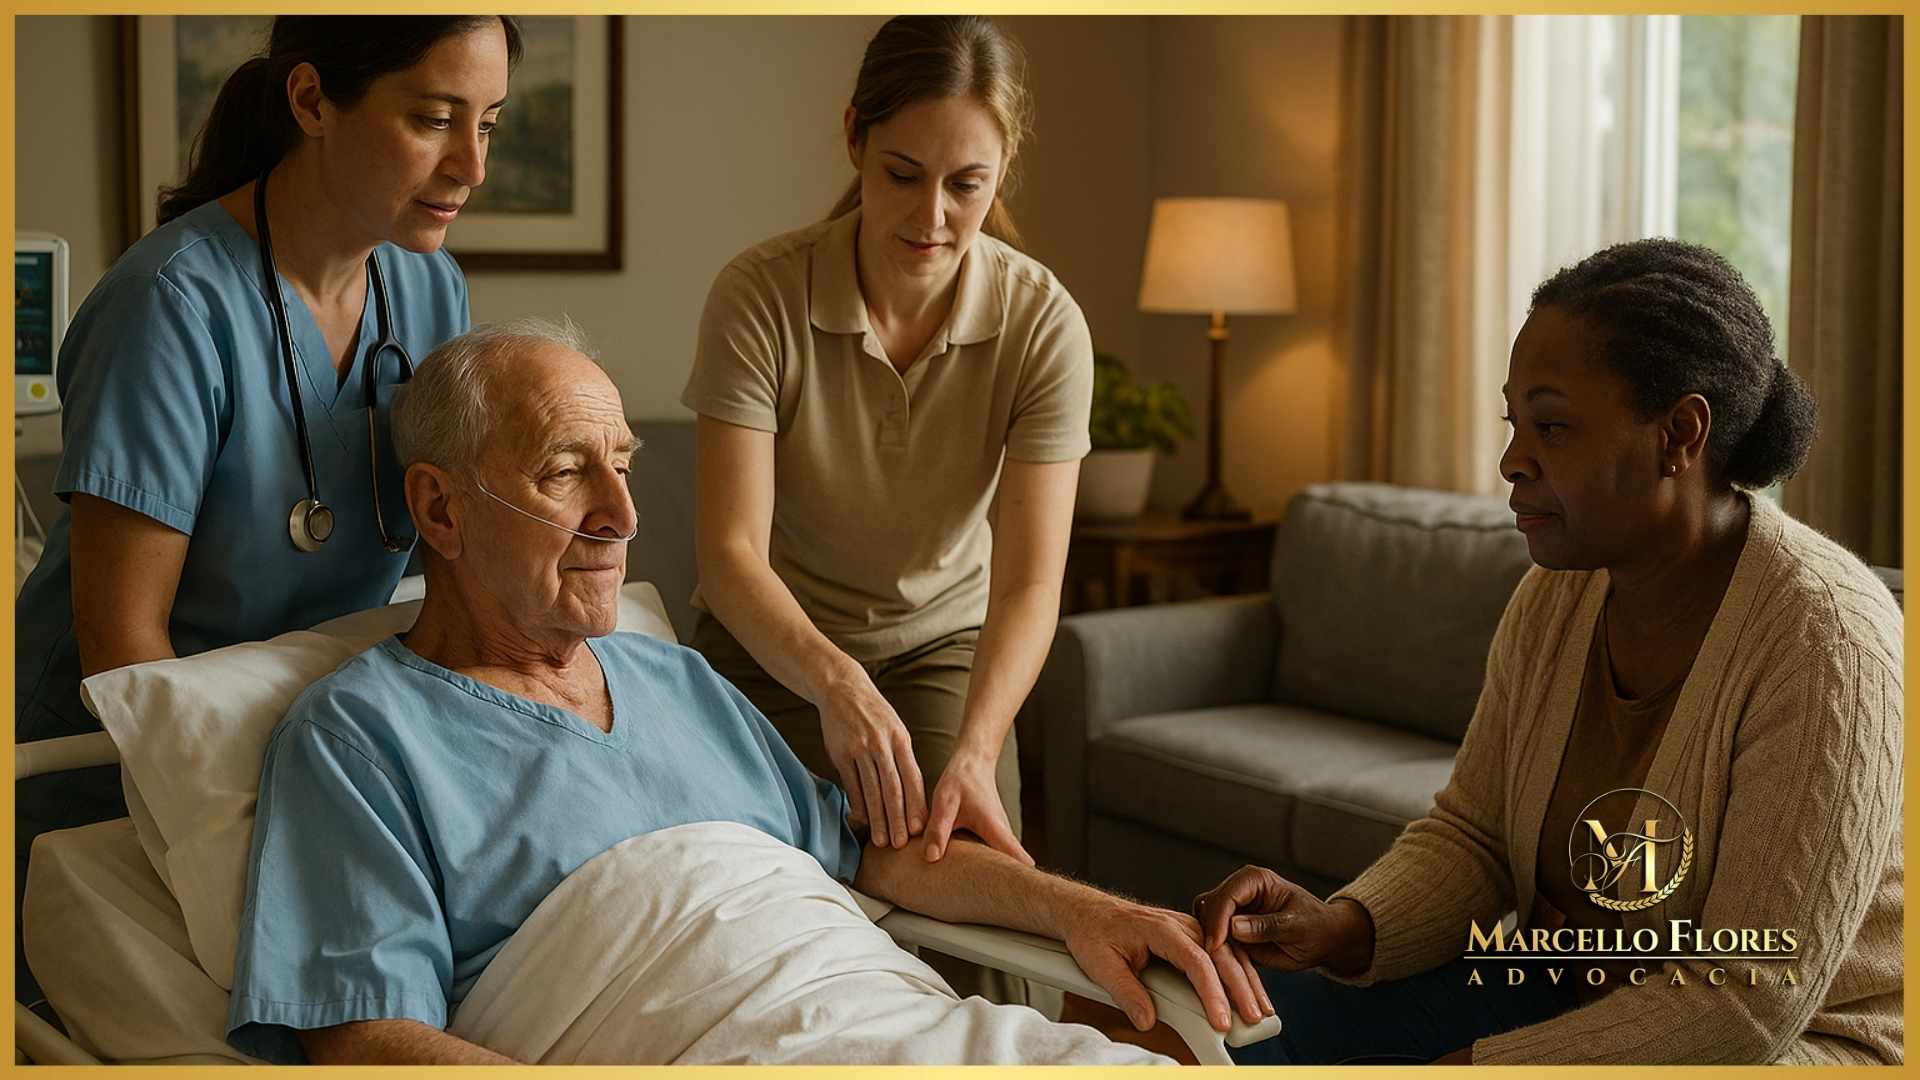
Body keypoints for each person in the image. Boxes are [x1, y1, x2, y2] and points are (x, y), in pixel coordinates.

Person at [224, 319, 1272, 1065]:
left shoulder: (674, 676)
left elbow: (867, 849)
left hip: (886, 1028)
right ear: (440, 513)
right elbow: (365, 1039)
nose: (623, 514)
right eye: (564, 472)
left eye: (625, 466)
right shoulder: (360, 737)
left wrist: (1087, 912)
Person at [1193, 238, 1903, 1065]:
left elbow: (1742, 1002)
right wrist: (1342, 927)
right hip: (1556, 992)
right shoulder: (1563, 588)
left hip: (1796, 1046)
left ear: (1680, 433)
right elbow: (1477, 835)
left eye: (1553, 426)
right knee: (1219, 1021)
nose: (1511, 462)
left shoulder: (1825, 643)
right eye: (1515, 424)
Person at [12, 15, 520, 1007]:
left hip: (309, 750)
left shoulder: (429, 291)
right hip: (115, 783)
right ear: (310, 101)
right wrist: (233, 845)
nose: (471, 165)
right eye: (432, 119)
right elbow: (123, 643)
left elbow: (454, 559)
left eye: (490, 124)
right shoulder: (168, 305)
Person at [682, 15, 1090, 867]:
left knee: (970, 878)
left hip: (942, 655)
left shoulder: (1044, 324)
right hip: (769, 650)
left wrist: (977, 749)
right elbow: (728, 555)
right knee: (749, 898)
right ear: (854, 138)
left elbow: (1028, 584)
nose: (931, 216)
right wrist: (836, 683)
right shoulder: (759, 296)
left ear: (1004, 167)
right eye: (903, 174)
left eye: (967, 185)